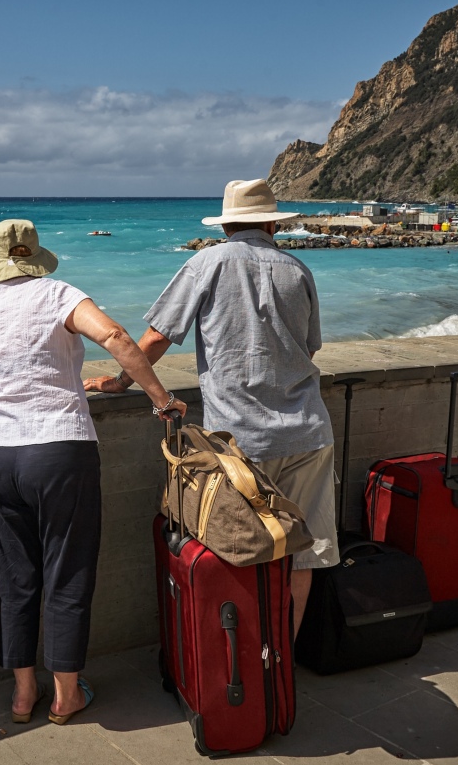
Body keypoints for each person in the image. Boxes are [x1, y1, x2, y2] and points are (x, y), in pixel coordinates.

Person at [84, 179, 338, 639]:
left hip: (239, 442)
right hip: (308, 433)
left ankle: (245, 665)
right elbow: (310, 350)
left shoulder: (207, 262)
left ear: (226, 225)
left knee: (240, 550)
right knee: (306, 554)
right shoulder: (297, 269)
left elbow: (158, 336)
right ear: (271, 223)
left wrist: (120, 381)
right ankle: (283, 662)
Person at [0, 219, 186, 726]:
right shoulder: (58, 294)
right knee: (68, 569)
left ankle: (22, 694)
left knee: (15, 575)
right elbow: (115, 335)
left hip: (0, 454)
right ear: (36, 257)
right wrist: (161, 399)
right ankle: (65, 694)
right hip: (60, 449)